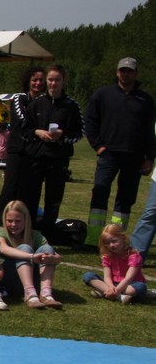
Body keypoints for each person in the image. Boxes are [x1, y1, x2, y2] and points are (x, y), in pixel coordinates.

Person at [84, 56, 156, 236]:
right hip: (108, 154)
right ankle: (94, 237)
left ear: (136, 74)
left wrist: (149, 158)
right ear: (117, 72)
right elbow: (90, 122)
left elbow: (150, 131)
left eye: (129, 71)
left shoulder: (145, 100)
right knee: (100, 192)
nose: (125, 74)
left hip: (134, 156)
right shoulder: (102, 94)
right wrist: (98, 146)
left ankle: (116, 238)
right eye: (122, 70)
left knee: (126, 198)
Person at [18, 64, 83, 237]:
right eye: (50, 80)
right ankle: (28, 233)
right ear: (46, 81)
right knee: (30, 197)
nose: (53, 83)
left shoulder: (71, 106)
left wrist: (62, 135)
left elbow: (79, 133)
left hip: (58, 158)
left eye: (57, 80)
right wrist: (37, 132)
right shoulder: (36, 104)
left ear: (63, 81)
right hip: (35, 157)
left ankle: (47, 235)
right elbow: (23, 130)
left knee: (53, 199)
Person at [0, 67, 47, 232]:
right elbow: (23, 120)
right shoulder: (19, 98)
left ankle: (28, 230)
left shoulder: (46, 101)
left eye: (41, 80)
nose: (38, 83)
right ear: (28, 81)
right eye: (34, 80)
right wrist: (38, 129)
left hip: (35, 153)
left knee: (31, 192)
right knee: (9, 189)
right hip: (17, 151)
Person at [0, 200, 63, 310]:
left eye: (18, 221)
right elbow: (4, 249)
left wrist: (52, 258)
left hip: (34, 280)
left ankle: (46, 293)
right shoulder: (1, 233)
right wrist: (31, 256)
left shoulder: (35, 235)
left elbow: (57, 256)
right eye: (9, 221)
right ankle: (29, 294)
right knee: (25, 248)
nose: (13, 225)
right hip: (11, 281)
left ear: (26, 220)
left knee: (47, 249)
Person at [84, 224, 148, 304]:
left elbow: (128, 278)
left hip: (129, 284)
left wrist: (117, 290)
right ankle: (120, 297)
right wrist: (111, 287)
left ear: (123, 238)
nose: (111, 245)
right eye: (107, 243)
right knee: (88, 276)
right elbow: (107, 277)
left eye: (114, 241)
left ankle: (104, 292)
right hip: (112, 283)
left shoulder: (134, 256)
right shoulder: (107, 256)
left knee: (140, 287)